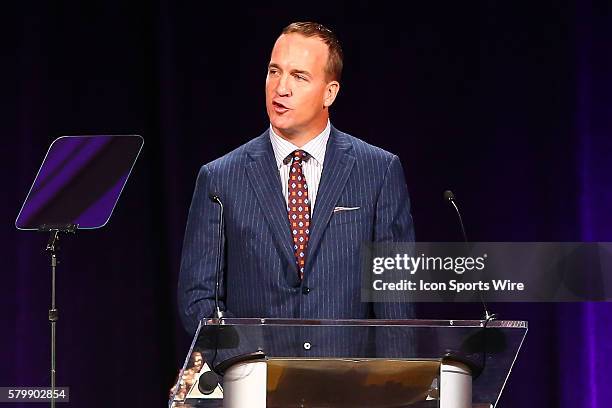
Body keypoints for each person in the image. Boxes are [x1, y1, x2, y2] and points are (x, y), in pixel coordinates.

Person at [178, 22, 416, 336]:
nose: (281, 88)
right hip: (255, 378)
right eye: (274, 71)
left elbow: (394, 304)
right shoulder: (220, 178)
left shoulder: (378, 171)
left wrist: (392, 383)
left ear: (329, 93)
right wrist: (247, 363)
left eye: (299, 76)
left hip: (349, 380)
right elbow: (198, 299)